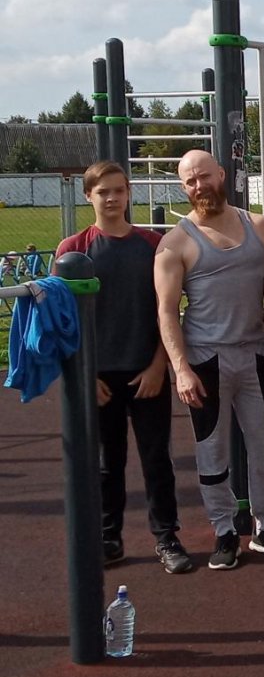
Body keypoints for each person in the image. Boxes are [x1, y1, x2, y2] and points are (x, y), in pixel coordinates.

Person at [154, 149, 264, 569]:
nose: (200, 186)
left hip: (255, 353)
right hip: (206, 359)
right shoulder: (175, 243)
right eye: (191, 181)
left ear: (221, 174)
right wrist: (181, 369)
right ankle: (224, 530)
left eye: (205, 176)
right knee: (211, 449)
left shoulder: (259, 226)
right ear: (183, 187)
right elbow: (166, 311)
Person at [57, 161, 190, 573]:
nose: (112, 198)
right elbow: (62, 322)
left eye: (118, 190)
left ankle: (166, 537)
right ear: (88, 196)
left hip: (146, 370)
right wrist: (86, 374)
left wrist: (159, 365)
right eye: (103, 192)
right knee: (105, 462)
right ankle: (108, 537)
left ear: (129, 193)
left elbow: (169, 310)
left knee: (157, 459)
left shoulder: (154, 245)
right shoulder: (74, 249)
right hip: (99, 376)